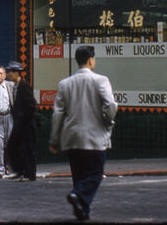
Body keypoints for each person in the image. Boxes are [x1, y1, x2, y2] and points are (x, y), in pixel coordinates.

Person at [49, 45, 117, 221]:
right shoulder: (101, 80)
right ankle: (77, 195)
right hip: (94, 137)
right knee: (94, 173)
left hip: (72, 137)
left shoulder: (65, 83)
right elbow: (110, 104)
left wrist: (55, 139)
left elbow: (58, 114)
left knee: (79, 175)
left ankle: (82, 210)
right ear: (91, 60)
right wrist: (108, 120)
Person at [5, 60, 38, 181]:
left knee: (27, 148)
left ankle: (30, 174)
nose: (8, 74)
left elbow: (31, 105)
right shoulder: (15, 86)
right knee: (13, 146)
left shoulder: (24, 86)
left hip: (26, 124)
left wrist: (24, 119)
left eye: (10, 72)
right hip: (19, 123)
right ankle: (20, 170)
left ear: (16, 73)